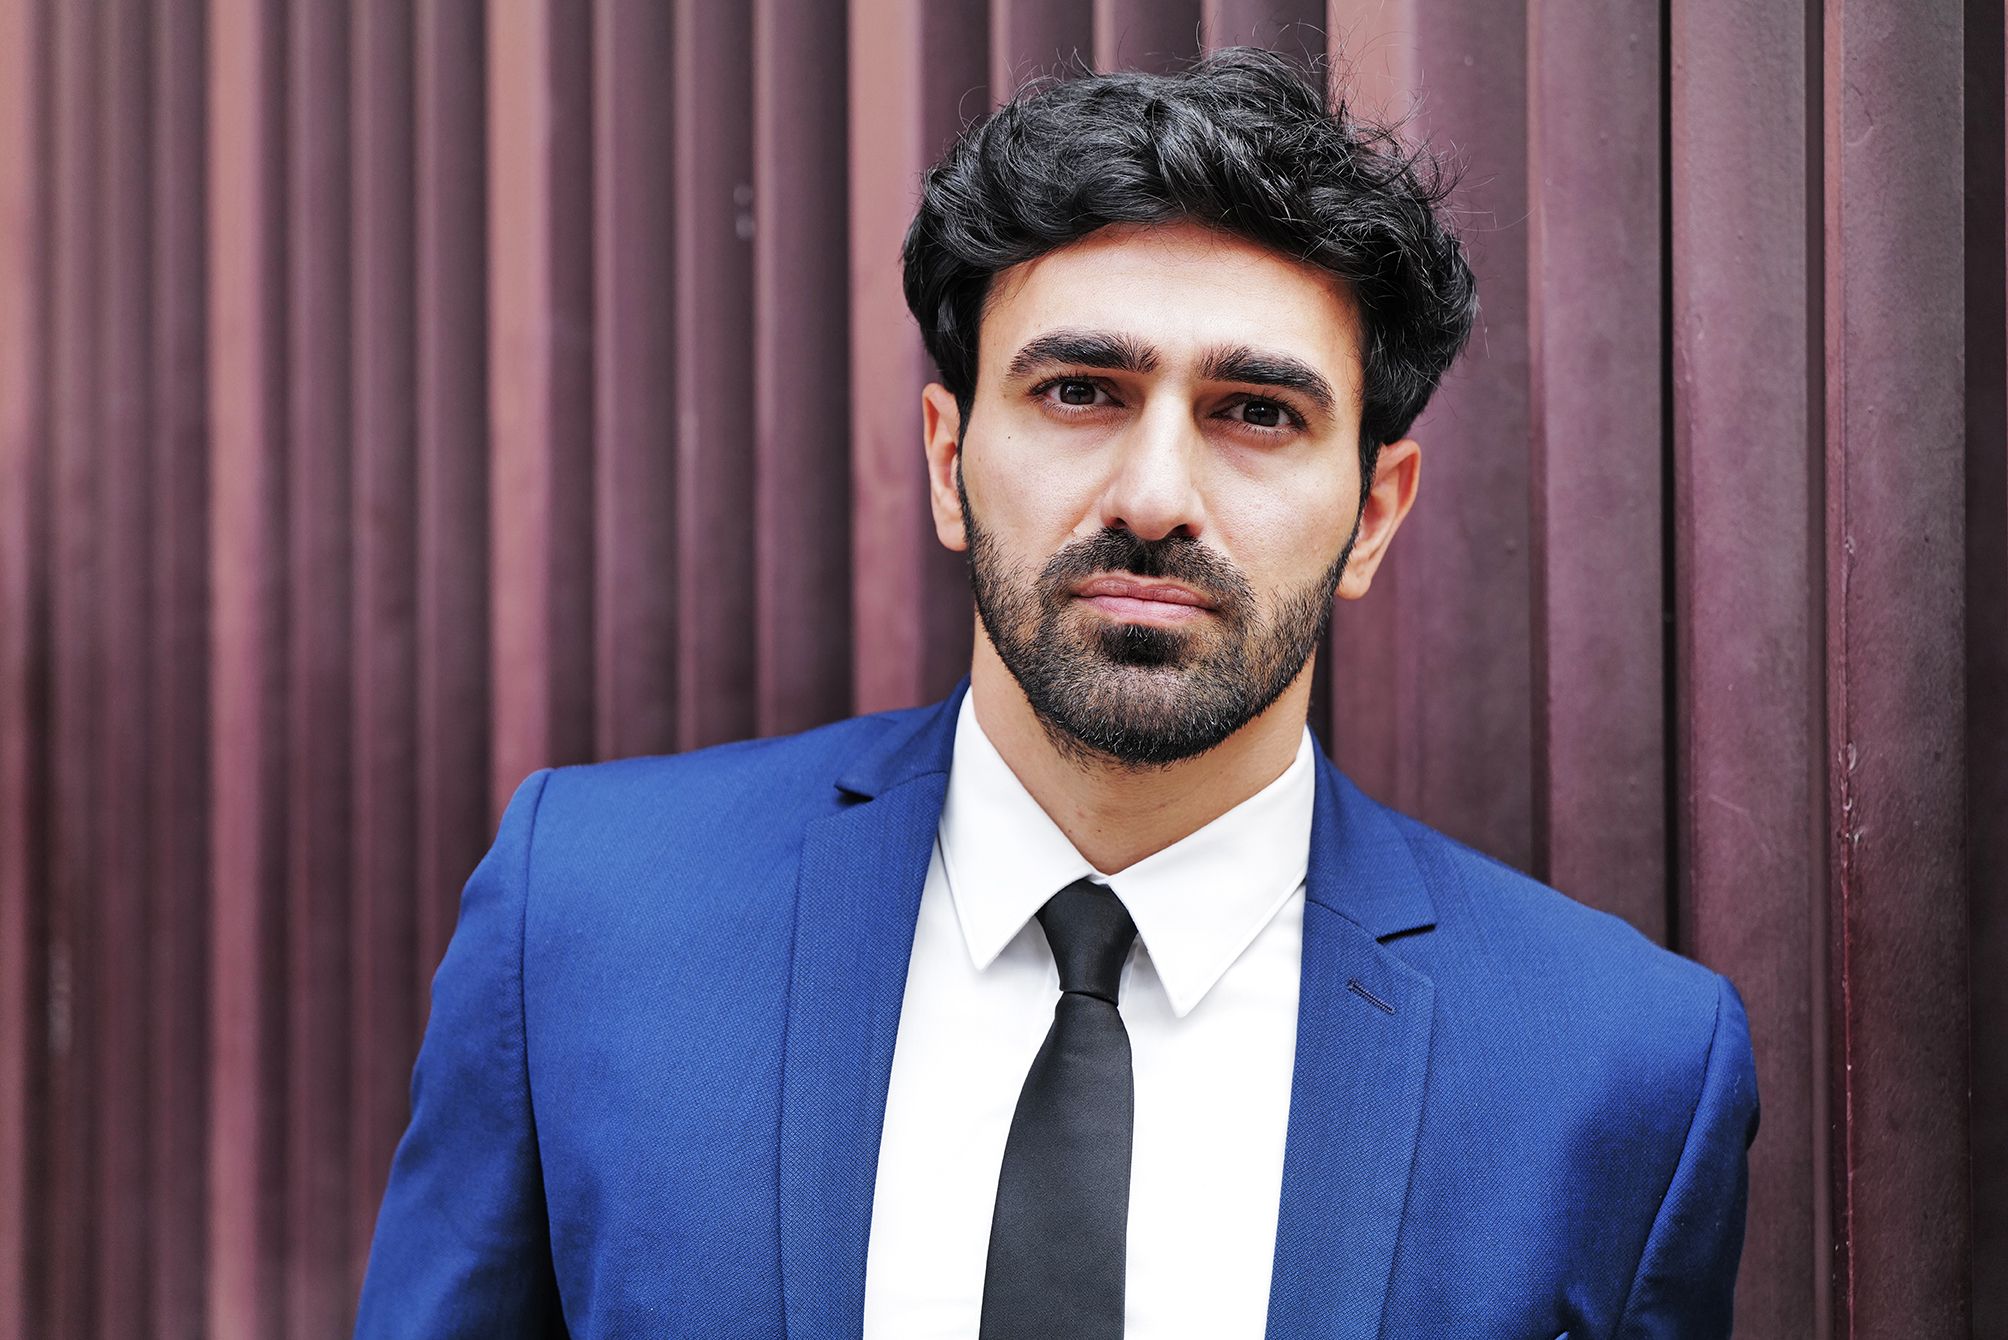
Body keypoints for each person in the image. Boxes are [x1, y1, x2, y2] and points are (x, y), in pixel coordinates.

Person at [356, 48, 1756, 1339]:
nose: (1153, 496)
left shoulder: (1618, 1066)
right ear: (946, 460)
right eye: (1082, 391)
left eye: (1257, 412)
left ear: (1375, 515)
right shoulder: (589, 916)